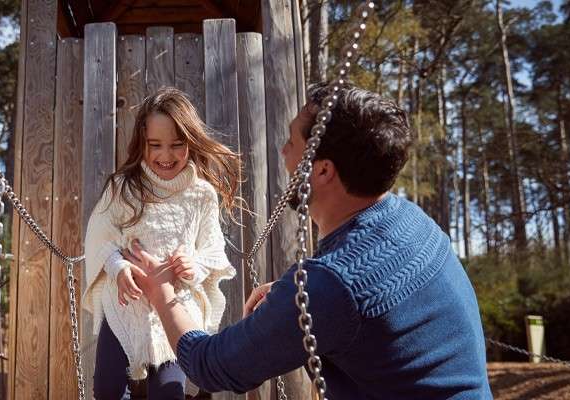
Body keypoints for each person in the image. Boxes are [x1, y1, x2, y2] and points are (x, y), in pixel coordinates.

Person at [123, 83, 494, 399]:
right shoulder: (410, 219)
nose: (283, 153)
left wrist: (162, 293)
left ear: (322, 170)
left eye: (291, 142)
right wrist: (294, 302)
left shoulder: (328, 288)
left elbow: (210, 364)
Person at [82, 87, 240, 399]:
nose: (165, 156)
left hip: (172, 306)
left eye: (176, 145)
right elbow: (99, 237)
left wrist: (192, 264)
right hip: (125, 303)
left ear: (190, 143)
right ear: (142, 141)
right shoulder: (123, 187)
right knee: (107, 389)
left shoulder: (201, 194)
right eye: (155, 145)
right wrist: (117, 267)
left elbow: (212, 251)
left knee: (168, 391)